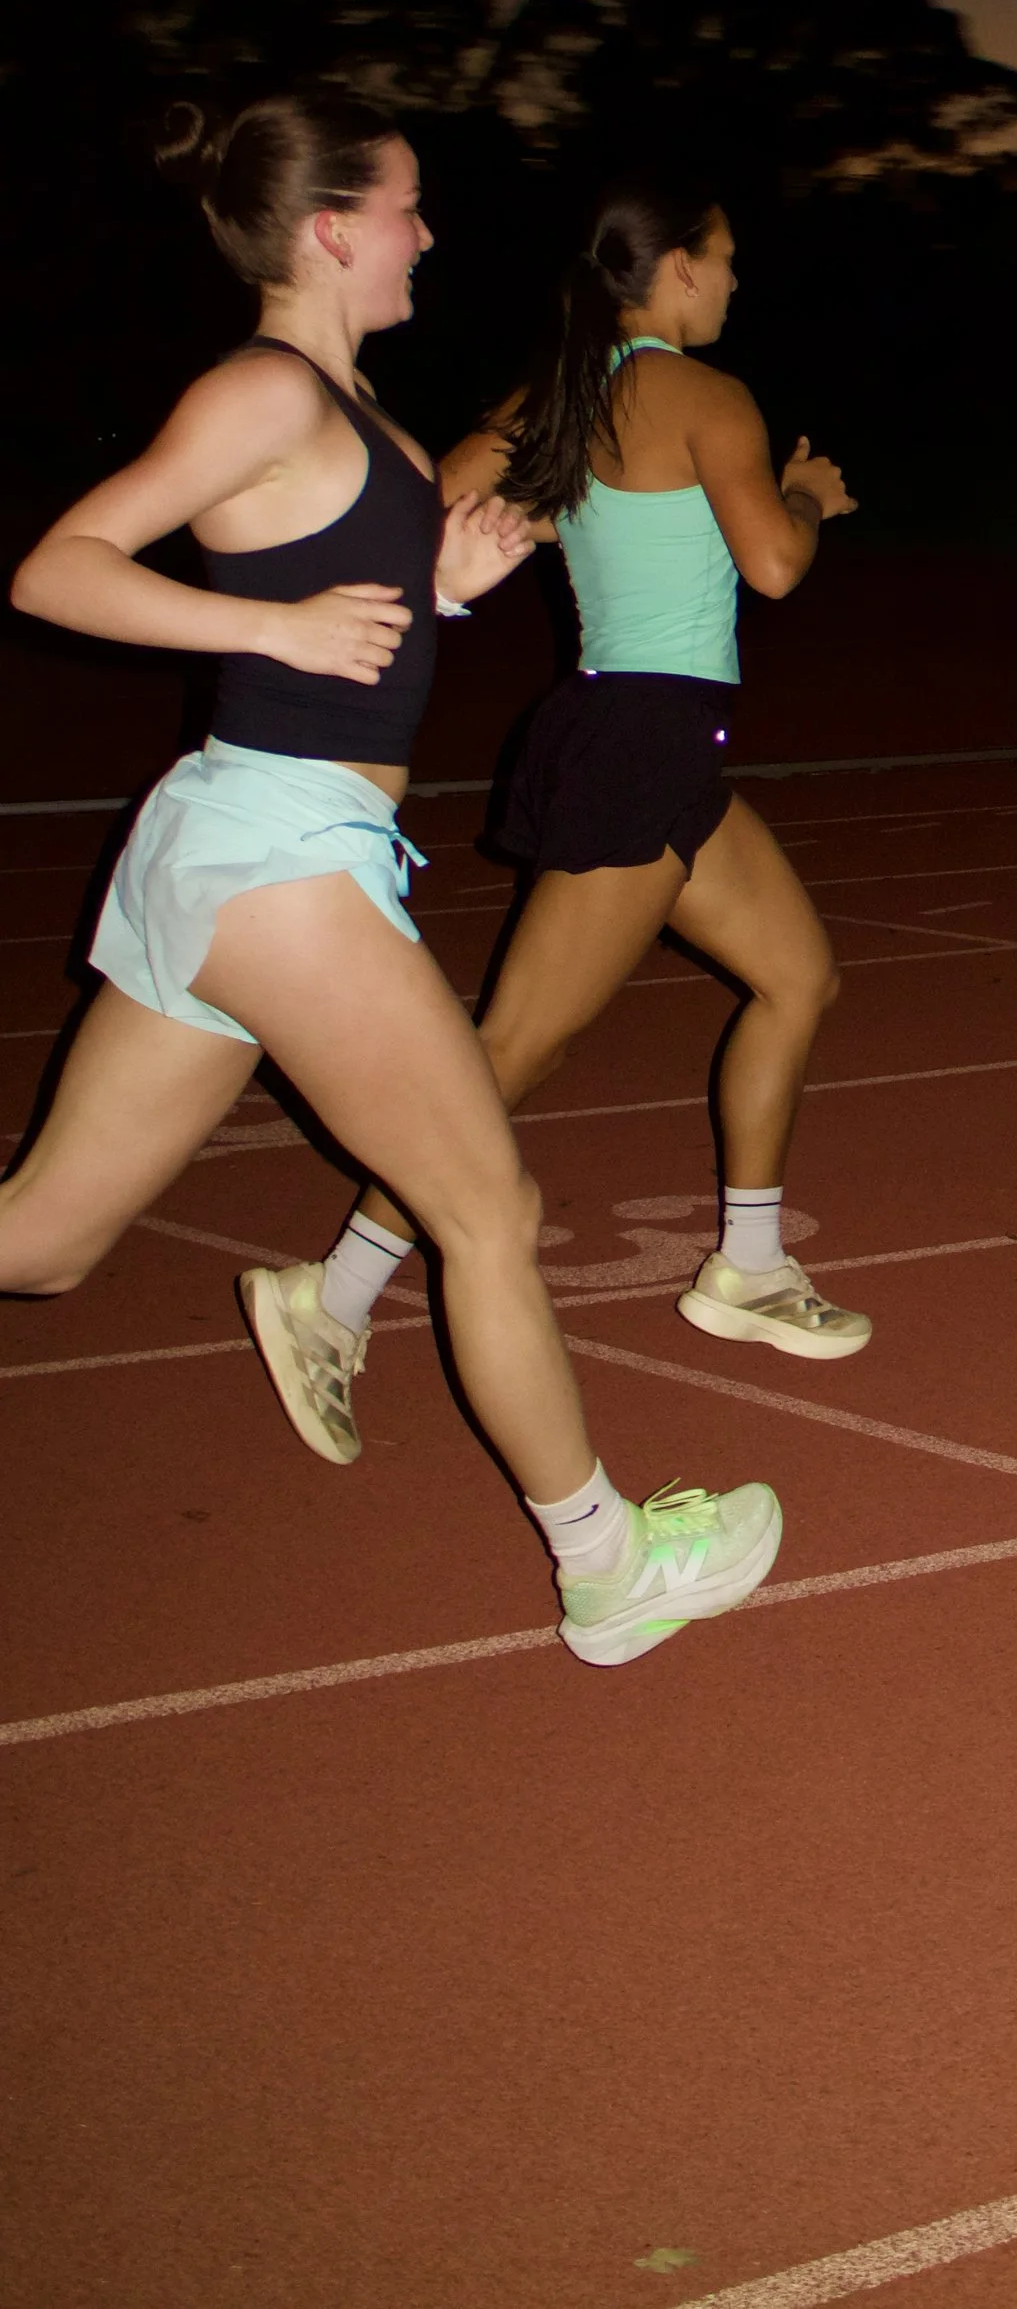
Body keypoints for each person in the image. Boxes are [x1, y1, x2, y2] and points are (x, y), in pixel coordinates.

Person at [1, 91, 781, 1668]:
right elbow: (60, 566)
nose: (431, 230)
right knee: (489, 1208)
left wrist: (445, 583)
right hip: (276, 853)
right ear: (329, 228)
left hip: (241, 847)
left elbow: (341, 603)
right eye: (409, 205)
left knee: (42, 1244)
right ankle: (608, 1563)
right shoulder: (263, 390)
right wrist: (264, 630)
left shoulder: (368, 420)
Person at [282, 172, 866, 1455]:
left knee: (796, 976)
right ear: (674, 271)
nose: (731, 281)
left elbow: (424, 495)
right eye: (722, 257)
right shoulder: (711, 399)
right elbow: (773, 566)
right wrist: (811, 492)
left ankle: (750, 1268)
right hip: (641, 742)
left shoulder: (553, 395)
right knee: (511, 1051)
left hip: (643, 735)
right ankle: (325, 1297)